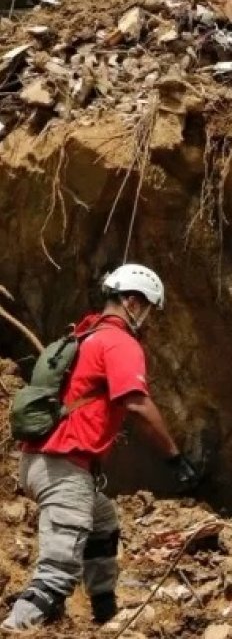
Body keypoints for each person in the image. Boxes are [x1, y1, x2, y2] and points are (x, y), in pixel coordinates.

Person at [1, 264, 200, 633]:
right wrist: (175, 458)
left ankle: (105, 613)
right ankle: (15, 627)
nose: (150, 320)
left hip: (39, 462)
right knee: (57, 572)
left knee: (102, 521)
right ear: (132, 301)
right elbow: (137, 404)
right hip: (64, 467)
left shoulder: (85, 335)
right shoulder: (120, 342)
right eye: (149, 309)